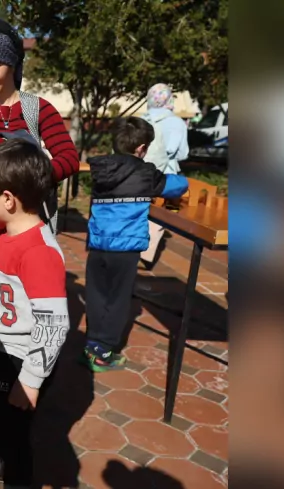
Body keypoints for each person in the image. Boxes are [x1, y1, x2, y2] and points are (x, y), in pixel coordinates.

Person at [0, 15, 79, 384]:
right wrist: (30, 164)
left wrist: (27, 176)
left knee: (12, 312)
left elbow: (68, 158)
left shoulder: (39, 110)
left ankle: (19, 383)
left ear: (14, 63)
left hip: (19, 234)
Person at [0, 138, 69, 486]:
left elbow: (53, 324)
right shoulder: (4, 236)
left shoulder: (39, 253)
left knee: (16, 439)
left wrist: (29, 380)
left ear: (8, 199)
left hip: (18, 361)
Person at [82, 117, 188, 371]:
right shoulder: (145, 173)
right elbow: (176, 186)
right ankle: (102, 351)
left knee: (96, 295)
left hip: (98, 244)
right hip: (126, 249)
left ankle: (91, 343)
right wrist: (184, 181)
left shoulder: (100, 169)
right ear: (141, 148)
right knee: (118, 299)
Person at [139, 83, 190, 268]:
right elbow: (183, 153)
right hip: (164, 172)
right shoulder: (176, 123)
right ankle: (146, 253)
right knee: (158, 214)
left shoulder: (142, 120)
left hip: (138, 170)